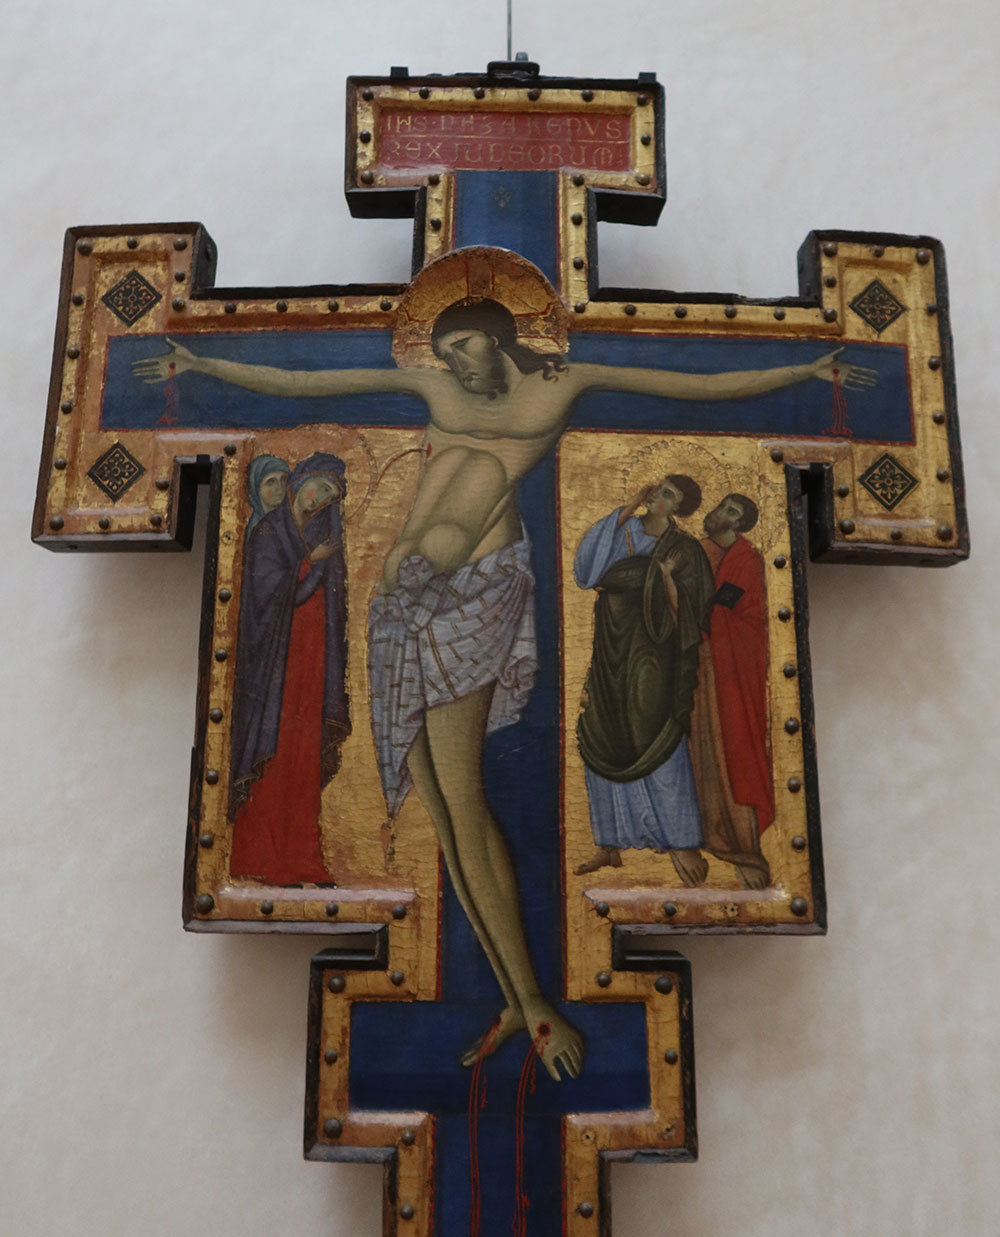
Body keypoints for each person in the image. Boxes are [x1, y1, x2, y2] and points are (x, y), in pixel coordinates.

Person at [134, 298, 874, 1080]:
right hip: (401, 607)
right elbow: (307, 382)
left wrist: (804, 368)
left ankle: (536, 999)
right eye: (447, 350)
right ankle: (515, 997)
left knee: (464, 797)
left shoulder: (557, 387)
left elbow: (688, 383)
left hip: (473, 592)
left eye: (467, 345)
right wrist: (205, 364)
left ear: (499, 339)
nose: (456, 362)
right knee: (443, 812)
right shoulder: (436, 387)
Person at [573, 476, 714, 885]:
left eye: (668, 495)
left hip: (655, 652)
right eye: (658, 488)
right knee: (605, 728)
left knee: (654, 731)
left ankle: (682, 841)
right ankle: (609, 842)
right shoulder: (621, 530)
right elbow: (586, 573)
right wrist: (631, 503)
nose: (657, 496)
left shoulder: (683, 549)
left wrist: (665, 576)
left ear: (679, 509)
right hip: (611, 646)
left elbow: (696, 610)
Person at [229, 453, 350, 885]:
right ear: (302, 481)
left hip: (309, 661)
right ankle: (260, 858)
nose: (320, 498)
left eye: (330, 495)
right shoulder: (268, 532)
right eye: (319, 487)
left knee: (302, 754)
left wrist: (318, 561)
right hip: (273, 667)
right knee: (275, 752)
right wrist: (312, 562)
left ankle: (301, 858)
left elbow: (329, 602)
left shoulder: (320, 534)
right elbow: (272, 595)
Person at [688, 493, 773, 889]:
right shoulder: (697, 550)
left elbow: (726, 607)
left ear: (740, 524)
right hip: (698, 663)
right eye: (723, 506)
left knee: (731, 750)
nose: (721, 514)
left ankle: (742, 847)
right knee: (700, 750)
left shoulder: (745, 560)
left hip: (729, 668)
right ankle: (703, 835)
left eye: (732, 512)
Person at [243, 454, 290, 544]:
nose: (280, 488)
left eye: (284, 480)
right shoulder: (258, 529)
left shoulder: (289, 523)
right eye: (271, 482)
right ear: (256, 488)